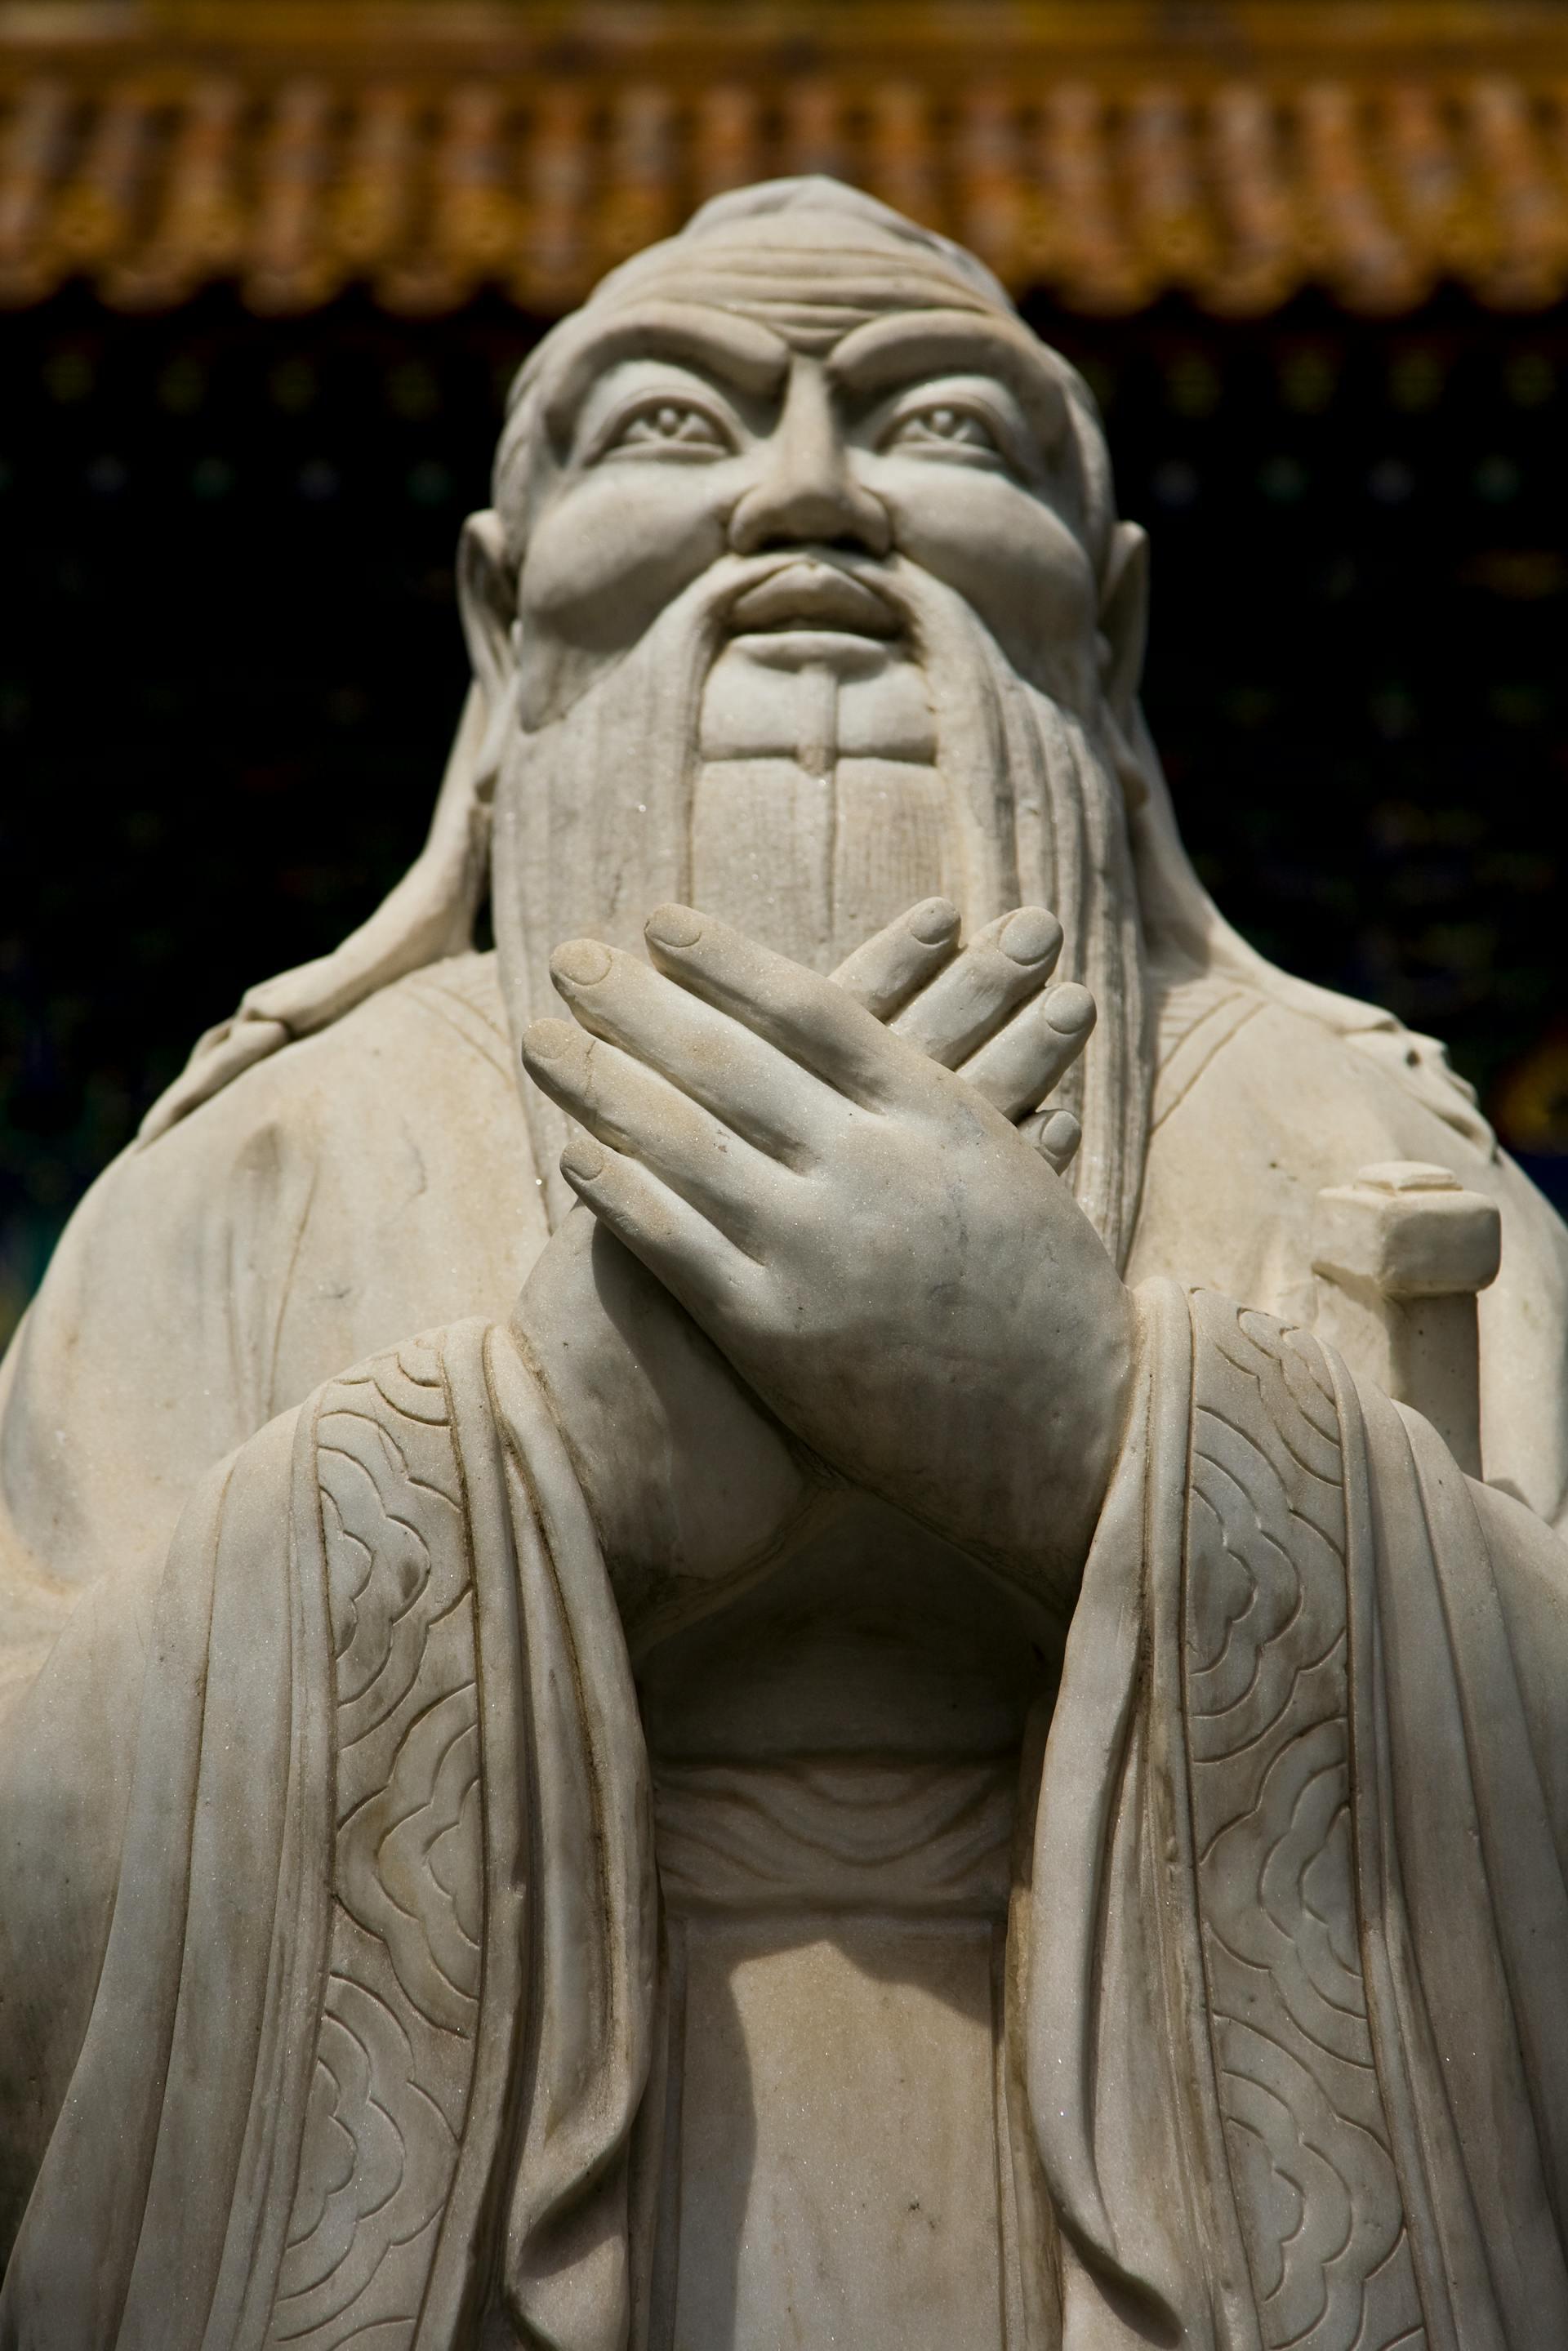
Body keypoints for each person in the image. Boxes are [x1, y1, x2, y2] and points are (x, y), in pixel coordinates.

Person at [2, 179, 1567, 2349]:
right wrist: (542, 1459)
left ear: (1106, 629)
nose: (811, 496)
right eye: (673, 425)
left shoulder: (1346, 1132)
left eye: (942, 428)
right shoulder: (267, 1162)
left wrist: (1104, 1430)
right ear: (503, 616)